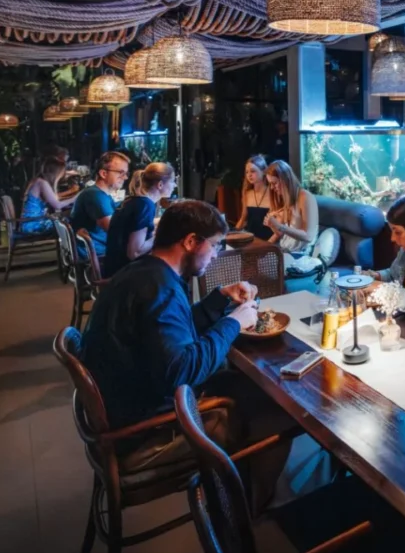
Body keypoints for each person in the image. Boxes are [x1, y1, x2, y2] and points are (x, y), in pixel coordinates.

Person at [80, 200, 295, 488]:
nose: (216, 256)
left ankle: (240, 483)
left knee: (252, 386)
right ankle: (245, 509)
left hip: (128, 404)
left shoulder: (145, 273)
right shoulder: (160, 290)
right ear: (191, 241)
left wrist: (219, 299)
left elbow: (167, 334)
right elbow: (182, 370)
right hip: (145, 433)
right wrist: (234, 322)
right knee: (279, 410)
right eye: (215, 246)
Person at [102, 163, 175, 278]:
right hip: (125, 275)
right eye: (172, 181)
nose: (175, 185)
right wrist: (160, 234)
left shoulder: (133, 201)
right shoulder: (146, 206)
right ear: (160, 185)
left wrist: (162, 221)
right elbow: (135, 253)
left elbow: (135, 226)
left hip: (113, 268)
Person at [71, 151, 130, 257]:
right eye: (121, 173)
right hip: (97, 254)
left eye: (126, 173)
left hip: (95, 249)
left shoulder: (98, 193)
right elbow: (114, 230)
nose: (125, 178)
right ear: (103, 174)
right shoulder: (95, 196)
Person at [263, 160, 318, 260]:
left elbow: (308, 236)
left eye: (274, 183)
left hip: (300, 255)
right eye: (270, 184)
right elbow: (280, 234)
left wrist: (280, 226)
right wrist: (263, 248)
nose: (271, 188)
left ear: (285, 180)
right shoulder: (283, 197)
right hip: (284, 249)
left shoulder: (306, 197)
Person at [19, 157, 75, 235]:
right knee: (70, 222)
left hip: (31, 223)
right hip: (33, 225)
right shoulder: (41, 183)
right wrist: (76, 197)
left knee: (68, 219)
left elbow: (55, 201)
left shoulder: (37, 180)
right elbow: (57, 205)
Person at [236, 154, 271, 239]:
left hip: (269, 238)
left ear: (263, 171)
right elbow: (243, 218)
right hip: (250, 239)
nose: (249, 175)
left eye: (253, 171)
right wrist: (232, 234)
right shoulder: (247, 193)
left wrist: (269, 243)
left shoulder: (273, 192)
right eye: (247, 172)